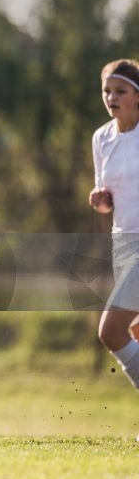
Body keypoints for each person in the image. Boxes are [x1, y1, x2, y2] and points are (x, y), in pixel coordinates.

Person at [91, 59, 139, 439]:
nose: (112, 97)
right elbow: (109, 199)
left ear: (137, 96)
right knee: (135, 334)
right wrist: (101, 200)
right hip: (122, 241)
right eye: (108, 91)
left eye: (120, 90)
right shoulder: (101, 138)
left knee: (111, 331)